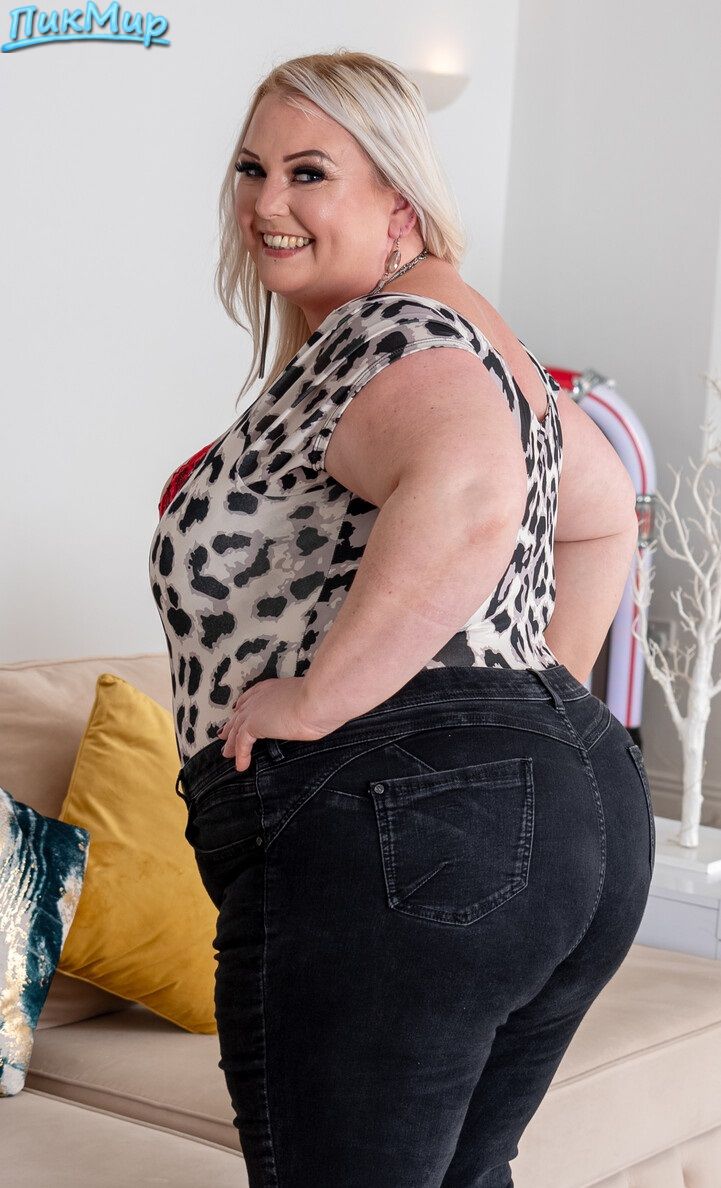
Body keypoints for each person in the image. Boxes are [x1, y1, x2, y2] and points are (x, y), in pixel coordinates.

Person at [148, 49, 653, 1188]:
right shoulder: (478, 345)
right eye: (251, 168)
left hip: (402, 817)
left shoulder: (384, 337)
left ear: (400, 204)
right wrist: (533, 701)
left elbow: (470, 493)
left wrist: (319, 696)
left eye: (309, 172)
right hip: (564, 810)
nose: (266, 203)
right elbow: (602, 512)